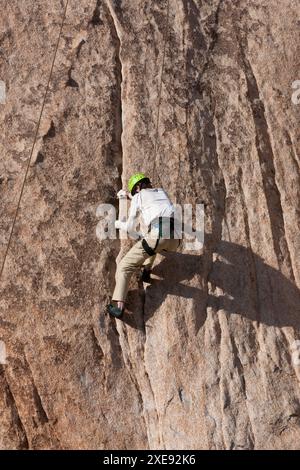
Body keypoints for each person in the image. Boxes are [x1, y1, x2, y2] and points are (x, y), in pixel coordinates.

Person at [107, 172, 181, 318]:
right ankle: (146, 271)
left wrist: (114, 223)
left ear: (138, 188)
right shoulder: (161, 192)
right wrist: (130, 196)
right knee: (151, 242)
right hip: (176, 239)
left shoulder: (139, 197)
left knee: (124, 266)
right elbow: (146, 198)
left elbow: (129, 226)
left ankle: (118, 306)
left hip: (159, 236)